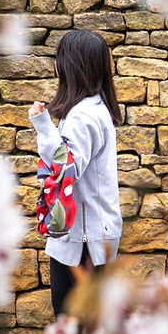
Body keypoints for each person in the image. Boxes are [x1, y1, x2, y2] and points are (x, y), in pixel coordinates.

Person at [28, 29, 122, 317]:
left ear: (71, 66)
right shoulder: (93, 107)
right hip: (87, 234)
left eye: (59, 58)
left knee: (72, 323)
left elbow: (66, 168)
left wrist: (43, 125)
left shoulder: (83, 116)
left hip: (84, 239)